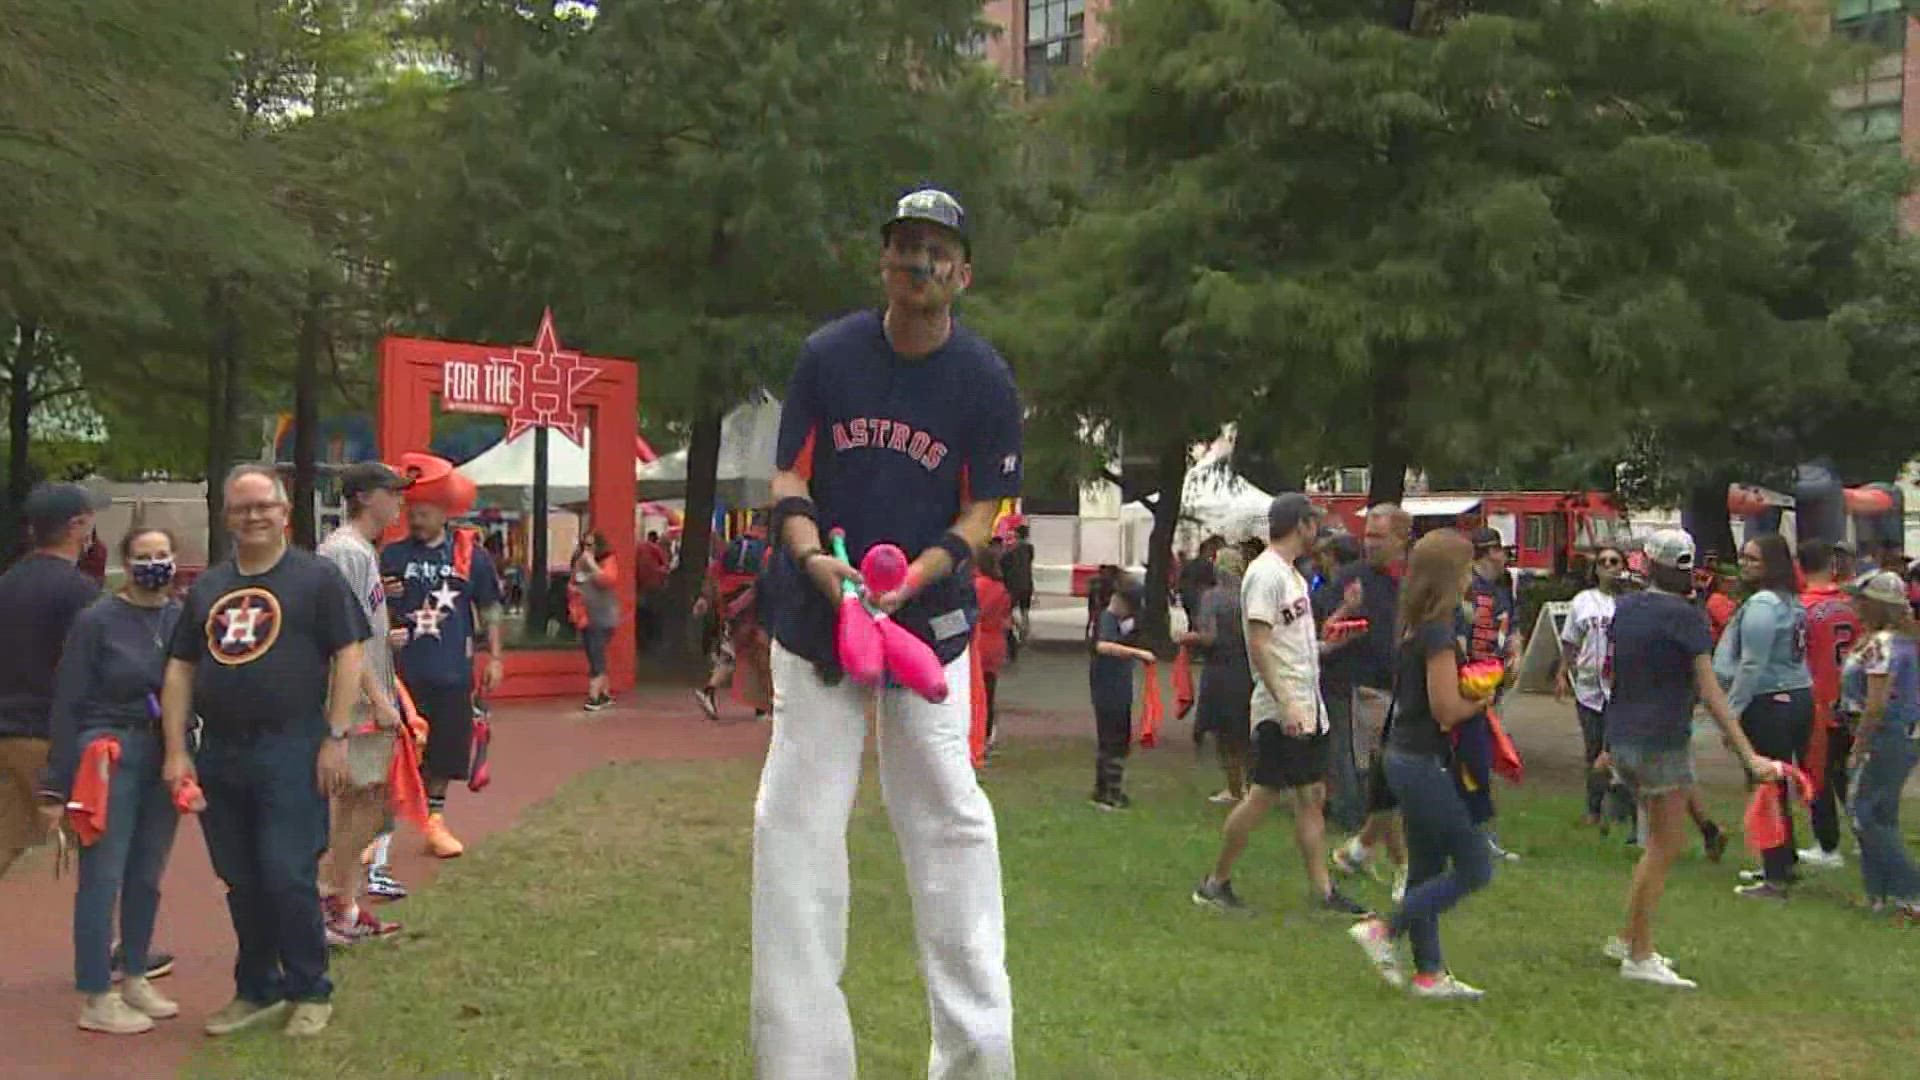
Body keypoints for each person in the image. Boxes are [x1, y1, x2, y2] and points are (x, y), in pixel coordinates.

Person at [752, 187, 1019, 1076]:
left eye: (940, 251)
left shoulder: (983, 378)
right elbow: (789, 480)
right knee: (794, 831)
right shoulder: (828, 357)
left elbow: (985, 506)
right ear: (884, 262)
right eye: (908, 246)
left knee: (952, 829)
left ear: (964, 273)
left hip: (929, 629)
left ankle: (978, 1060)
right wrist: (811, 560)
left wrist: (927, 571)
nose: (922, 263)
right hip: (817, 621)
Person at [160, 464, 369, 1038]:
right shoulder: (208, 587)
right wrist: (176, 751)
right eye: (241, 508)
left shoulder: (317, 579)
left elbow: (349, 653)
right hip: (221, 750)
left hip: (292, 744)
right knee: (240, 876)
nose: (253, 516)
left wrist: (336, 734)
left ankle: (309, 987)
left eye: (263, 506)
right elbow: (180, 670)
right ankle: (257, 987)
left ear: (284, 513)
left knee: (286, 871)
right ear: (227, 517)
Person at [1599, 529, 1783, 989]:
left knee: (1653, 843)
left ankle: (1628, 936)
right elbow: (1710, 690)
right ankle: (1639, 955)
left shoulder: (1626, 609)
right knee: (1663, 847)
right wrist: (1748, 753)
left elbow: (1616, 675)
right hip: (1661, 739)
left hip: (1621, 734)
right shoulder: (1686, 618)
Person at [1192, 493, 1367, 917]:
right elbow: (1259, 641)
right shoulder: (1266, 573)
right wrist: (1286, 703)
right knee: (1263, 795)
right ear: (1300, 524)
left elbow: (1294, 642)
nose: (1318, 533)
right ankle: (1215, 883)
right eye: (1315, 524)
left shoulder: (1292, 576)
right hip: (1281, 706)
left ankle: (1323, 893)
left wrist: (1335, 632)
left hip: (1306, 703)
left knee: (1312, 795)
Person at [42, 526, 184, 1033]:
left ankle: (136, 974)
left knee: (148, 870)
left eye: (163, 555)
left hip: (165, 749)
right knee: (103, 873)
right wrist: (56, 783)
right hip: (110, 748)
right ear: (126, 564)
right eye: (144, 556)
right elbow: (68, 700)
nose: (155, 564)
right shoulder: (96, 621)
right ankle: (96, 992)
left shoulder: (180, 616)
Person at [1346, 529, 1499, 1000]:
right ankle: (1383, 930)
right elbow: (1446, 710)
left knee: (1426, 868)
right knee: (1475, 867)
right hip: (1424, 761)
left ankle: (1429, 973)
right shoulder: (1437, 632)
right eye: (1467, 567)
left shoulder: (1415, 624)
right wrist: (1484, 698)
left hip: (1406, 757)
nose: (1473, 577)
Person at [315, 463, 412, 946]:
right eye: (391, 492)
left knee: (369, 798)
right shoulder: (345, 552)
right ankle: (330, 897)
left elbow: (361, 626)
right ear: (364, 496)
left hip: (364, 692)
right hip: (353, 701)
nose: (398, 501)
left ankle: (344, 903)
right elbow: (342, 637)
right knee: (366, 797)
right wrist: (377, 699)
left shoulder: (361, 553)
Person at [380, 484, 505, 859]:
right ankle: (379, 829)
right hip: (400, 672)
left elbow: (491, 608)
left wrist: (495, 657)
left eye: (424, 513)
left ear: (444, 513)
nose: (416, 521)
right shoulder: (392, 555)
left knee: (445, 750)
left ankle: (435, 821)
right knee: (394, 752)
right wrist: (383, 602)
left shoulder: (470, 555)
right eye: (412, 513)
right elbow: (370, 606)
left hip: (451, 669)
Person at [1, 482, 109, 881]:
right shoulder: (82, 593)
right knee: (98, 842)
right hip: (49, 733)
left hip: (8, 730)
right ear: (79, 526)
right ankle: (109, 938)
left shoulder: (8, 582)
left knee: (9, 833)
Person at [1715, 532, 1814, 899]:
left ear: (1773, 564)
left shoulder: (1763, 605)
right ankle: (1782, 859)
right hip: (1797, 694)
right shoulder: (1792, 603)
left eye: (1754, 559)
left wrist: (1732, 713)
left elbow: (1752, 663)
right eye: (1743, 557)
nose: (1745, 565)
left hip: (1770, 699)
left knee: (1766, 786)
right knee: (1776, 782)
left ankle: (1775, 874)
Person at [1329, 505, 1413, 904]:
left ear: (1401, 540)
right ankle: (1401, 866)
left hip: (1404, 690)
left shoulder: (1410, 585)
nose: (1370, 542)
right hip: (1363, 689)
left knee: (1391, 777)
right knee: (1388, 775)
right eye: (1368, 535)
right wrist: (1347, 608)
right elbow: (1319, 628)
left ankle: (1359, 850)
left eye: (1379, 536)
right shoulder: (1351, 579)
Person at [1839, 571, 1920, 920]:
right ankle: (1879, 894)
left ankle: (1911, 892)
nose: (1853, 604)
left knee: (1864, 813)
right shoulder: (1898, 641)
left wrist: (1860, 744)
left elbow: (1877, 702)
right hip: (1900, 734)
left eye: (1859, 598)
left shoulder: (1882, 644)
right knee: (1880, 814)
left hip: (1886, 735)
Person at [1795, 539, 1860, 872]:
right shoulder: (1851, 603)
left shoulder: (1801, 607)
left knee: (1818, 774)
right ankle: (1864, 836)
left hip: (1817, 701)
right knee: (1847, 774)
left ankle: (1827, 844)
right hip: (1851, 700)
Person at [1458, 526, 1521, 861]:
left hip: (1492, 686)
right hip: (1468, 688)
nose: (1505, 557)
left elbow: (1512, 629)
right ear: (1488, 551)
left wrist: (1516, 651)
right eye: (1501, 550)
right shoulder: (1466, 589)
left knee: (1484, 758)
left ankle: (1480, 835)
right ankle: (1475, 837)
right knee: (1472, 762)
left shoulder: (1502, 590)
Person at [1560, 545, 1627, 831]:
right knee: (1593, 750)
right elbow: (1571, 641)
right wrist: (1562, 671)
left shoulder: (1630, 602)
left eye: (1615, 561)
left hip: (1622, 688)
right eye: (1604, 562)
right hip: (1589, 687)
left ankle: (1621, 811)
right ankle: (1594, 810)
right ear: (1595, 568)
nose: (1609, 566)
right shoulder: (1583, 601)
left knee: (1618, 752)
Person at [1182, 548, 1252, 804]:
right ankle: (1251, 786)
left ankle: (1234, 789)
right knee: (1245, 729)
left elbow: (1209, 636)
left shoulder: (1212, 598)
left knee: (1224, 734)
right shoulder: (1249, 596)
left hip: (1220, 668)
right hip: (1247, 666)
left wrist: (1187, 638)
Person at [1088, 579, 1154, 808]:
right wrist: (1138, 653)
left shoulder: (1122, 622)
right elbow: (1103, 646)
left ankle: (1104, 788)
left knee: (1115, 738)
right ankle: (1110, 792)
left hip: (1119, 686)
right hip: (1108, 687)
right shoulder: (1107, 619)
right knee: (1113, 739)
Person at [572, 531, 621, 712]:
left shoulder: (607, 562)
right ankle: (604, 693)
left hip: (604, 616)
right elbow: (574, 583)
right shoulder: (580, 563)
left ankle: (594, 695)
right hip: (586, 616)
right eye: (585, 545)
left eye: (591, 546)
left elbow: (608, 580)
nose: (587, 549)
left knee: (596, 654)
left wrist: (592, 565)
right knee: (593, 653)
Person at [973, 546, 1014, 755]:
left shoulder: (976, 586)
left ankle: (974, 737)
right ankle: (987, 737)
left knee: (973, 693)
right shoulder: (1001, 589)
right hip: (995, 642)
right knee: (989, 693)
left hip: (977, 642)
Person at [1003, 524, 1036, 645]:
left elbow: (1005, 564)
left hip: (1014, 585)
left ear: (1017, 535)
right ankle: (1025, 633)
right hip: (1027, 584)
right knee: (1025, 611)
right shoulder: (1030, 548)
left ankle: (1018, 629)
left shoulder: (1011, 550)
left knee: (1007, 610)